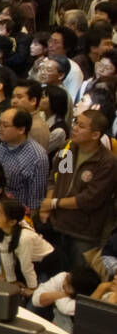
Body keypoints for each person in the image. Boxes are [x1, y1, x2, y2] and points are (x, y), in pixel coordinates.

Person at [39, 110, 117, 269]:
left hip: (83, 231)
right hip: (57, 223)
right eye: (75, 123)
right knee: (51, 271)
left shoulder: (107, 162)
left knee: (76, 277)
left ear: (95, 135)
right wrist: (46, 207)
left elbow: (89, 199)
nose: (74, 128)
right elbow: (56, 178)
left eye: (81, 126)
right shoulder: (68, 149)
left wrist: (54, 203)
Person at [0, 199, 54, 295]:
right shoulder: (0, 230)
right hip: (29, 263)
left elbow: (26, 266)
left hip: (48, 262)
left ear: (12, 222)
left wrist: (32, 287)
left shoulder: (25, 238)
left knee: (35, 298)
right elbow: (6, 256)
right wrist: (12, 281)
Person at [32, 265, 103, 332]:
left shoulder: (88, 299)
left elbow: (65, 308)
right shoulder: (63, 277)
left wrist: (55, 295)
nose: (64, 283)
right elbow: (36, 299)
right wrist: (63, 294)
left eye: (68, 285)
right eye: (66, 278)